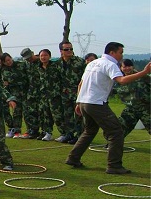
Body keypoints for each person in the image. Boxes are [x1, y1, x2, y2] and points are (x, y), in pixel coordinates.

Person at [64, 42, 151, 174]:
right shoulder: (110, 64)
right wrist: (144, 72)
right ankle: (114, 165)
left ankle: (73, 158)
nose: (122, 55)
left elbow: (81, 83)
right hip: (96, 103)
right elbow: (121, 80)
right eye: (120, 52)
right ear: (112, 52)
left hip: (85, 102)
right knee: (116, 132)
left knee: (89, 131)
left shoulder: (93, 63)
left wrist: (78, 102)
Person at [115, 59, 150, 137]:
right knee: (120, 128)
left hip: (146, 109)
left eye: (129, 66)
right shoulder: (118, 80)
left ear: (132, 66)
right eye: (125, 66)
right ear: (120, 68)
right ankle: (113, 145)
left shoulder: (142, 76)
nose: (127, 68)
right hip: (130, 109)